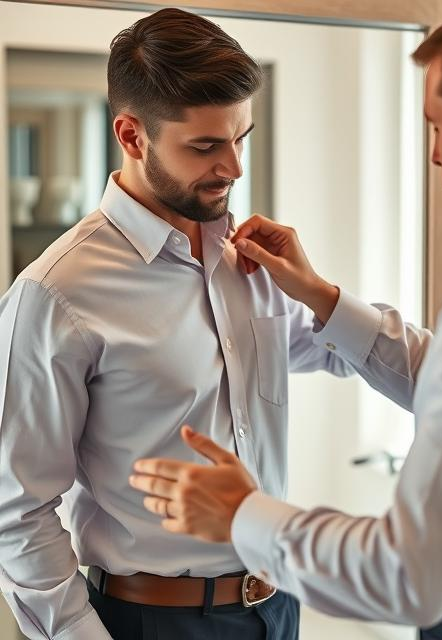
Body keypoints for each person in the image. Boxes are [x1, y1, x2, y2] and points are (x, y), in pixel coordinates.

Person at [129, 0, 442, 637]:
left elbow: (408, 575)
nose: (433, 156)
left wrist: (244, 515)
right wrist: (322, 298)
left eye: (435, 126)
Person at [0, 8, 355, 640]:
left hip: (278, 607)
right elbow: (17, 510)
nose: (234, 168)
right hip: (150, 622)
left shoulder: (252, 260)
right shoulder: (55, 293)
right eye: (206, 146)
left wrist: (321, 293)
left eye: (240, 138)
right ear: (132, 135)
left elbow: (337, 349)